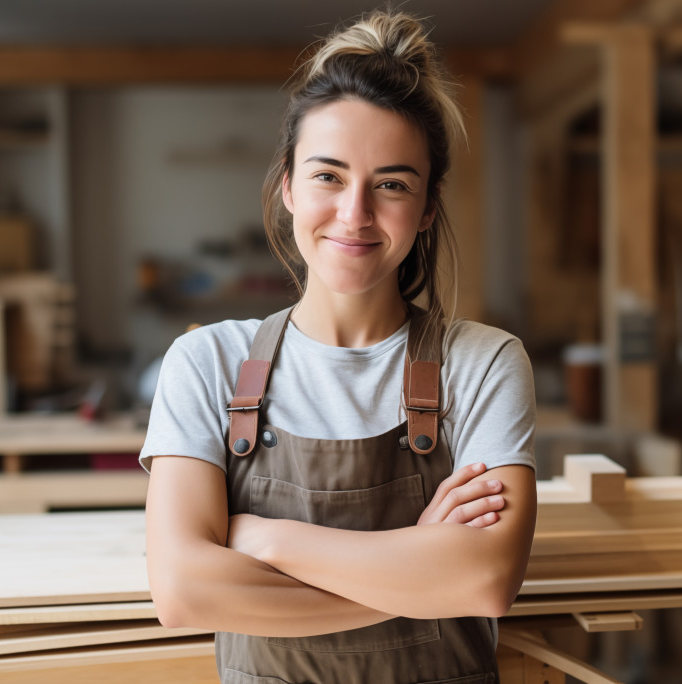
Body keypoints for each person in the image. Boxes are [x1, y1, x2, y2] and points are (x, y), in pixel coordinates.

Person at [139, 10, 537, 683]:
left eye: (391, 184)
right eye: (328, 176)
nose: (355, 213)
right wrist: (415, 562)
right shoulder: (207, 363)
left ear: (428, 206)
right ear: (288, 186)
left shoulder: (485, 363)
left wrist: (261, 537)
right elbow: (184, 592)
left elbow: (485, 581)